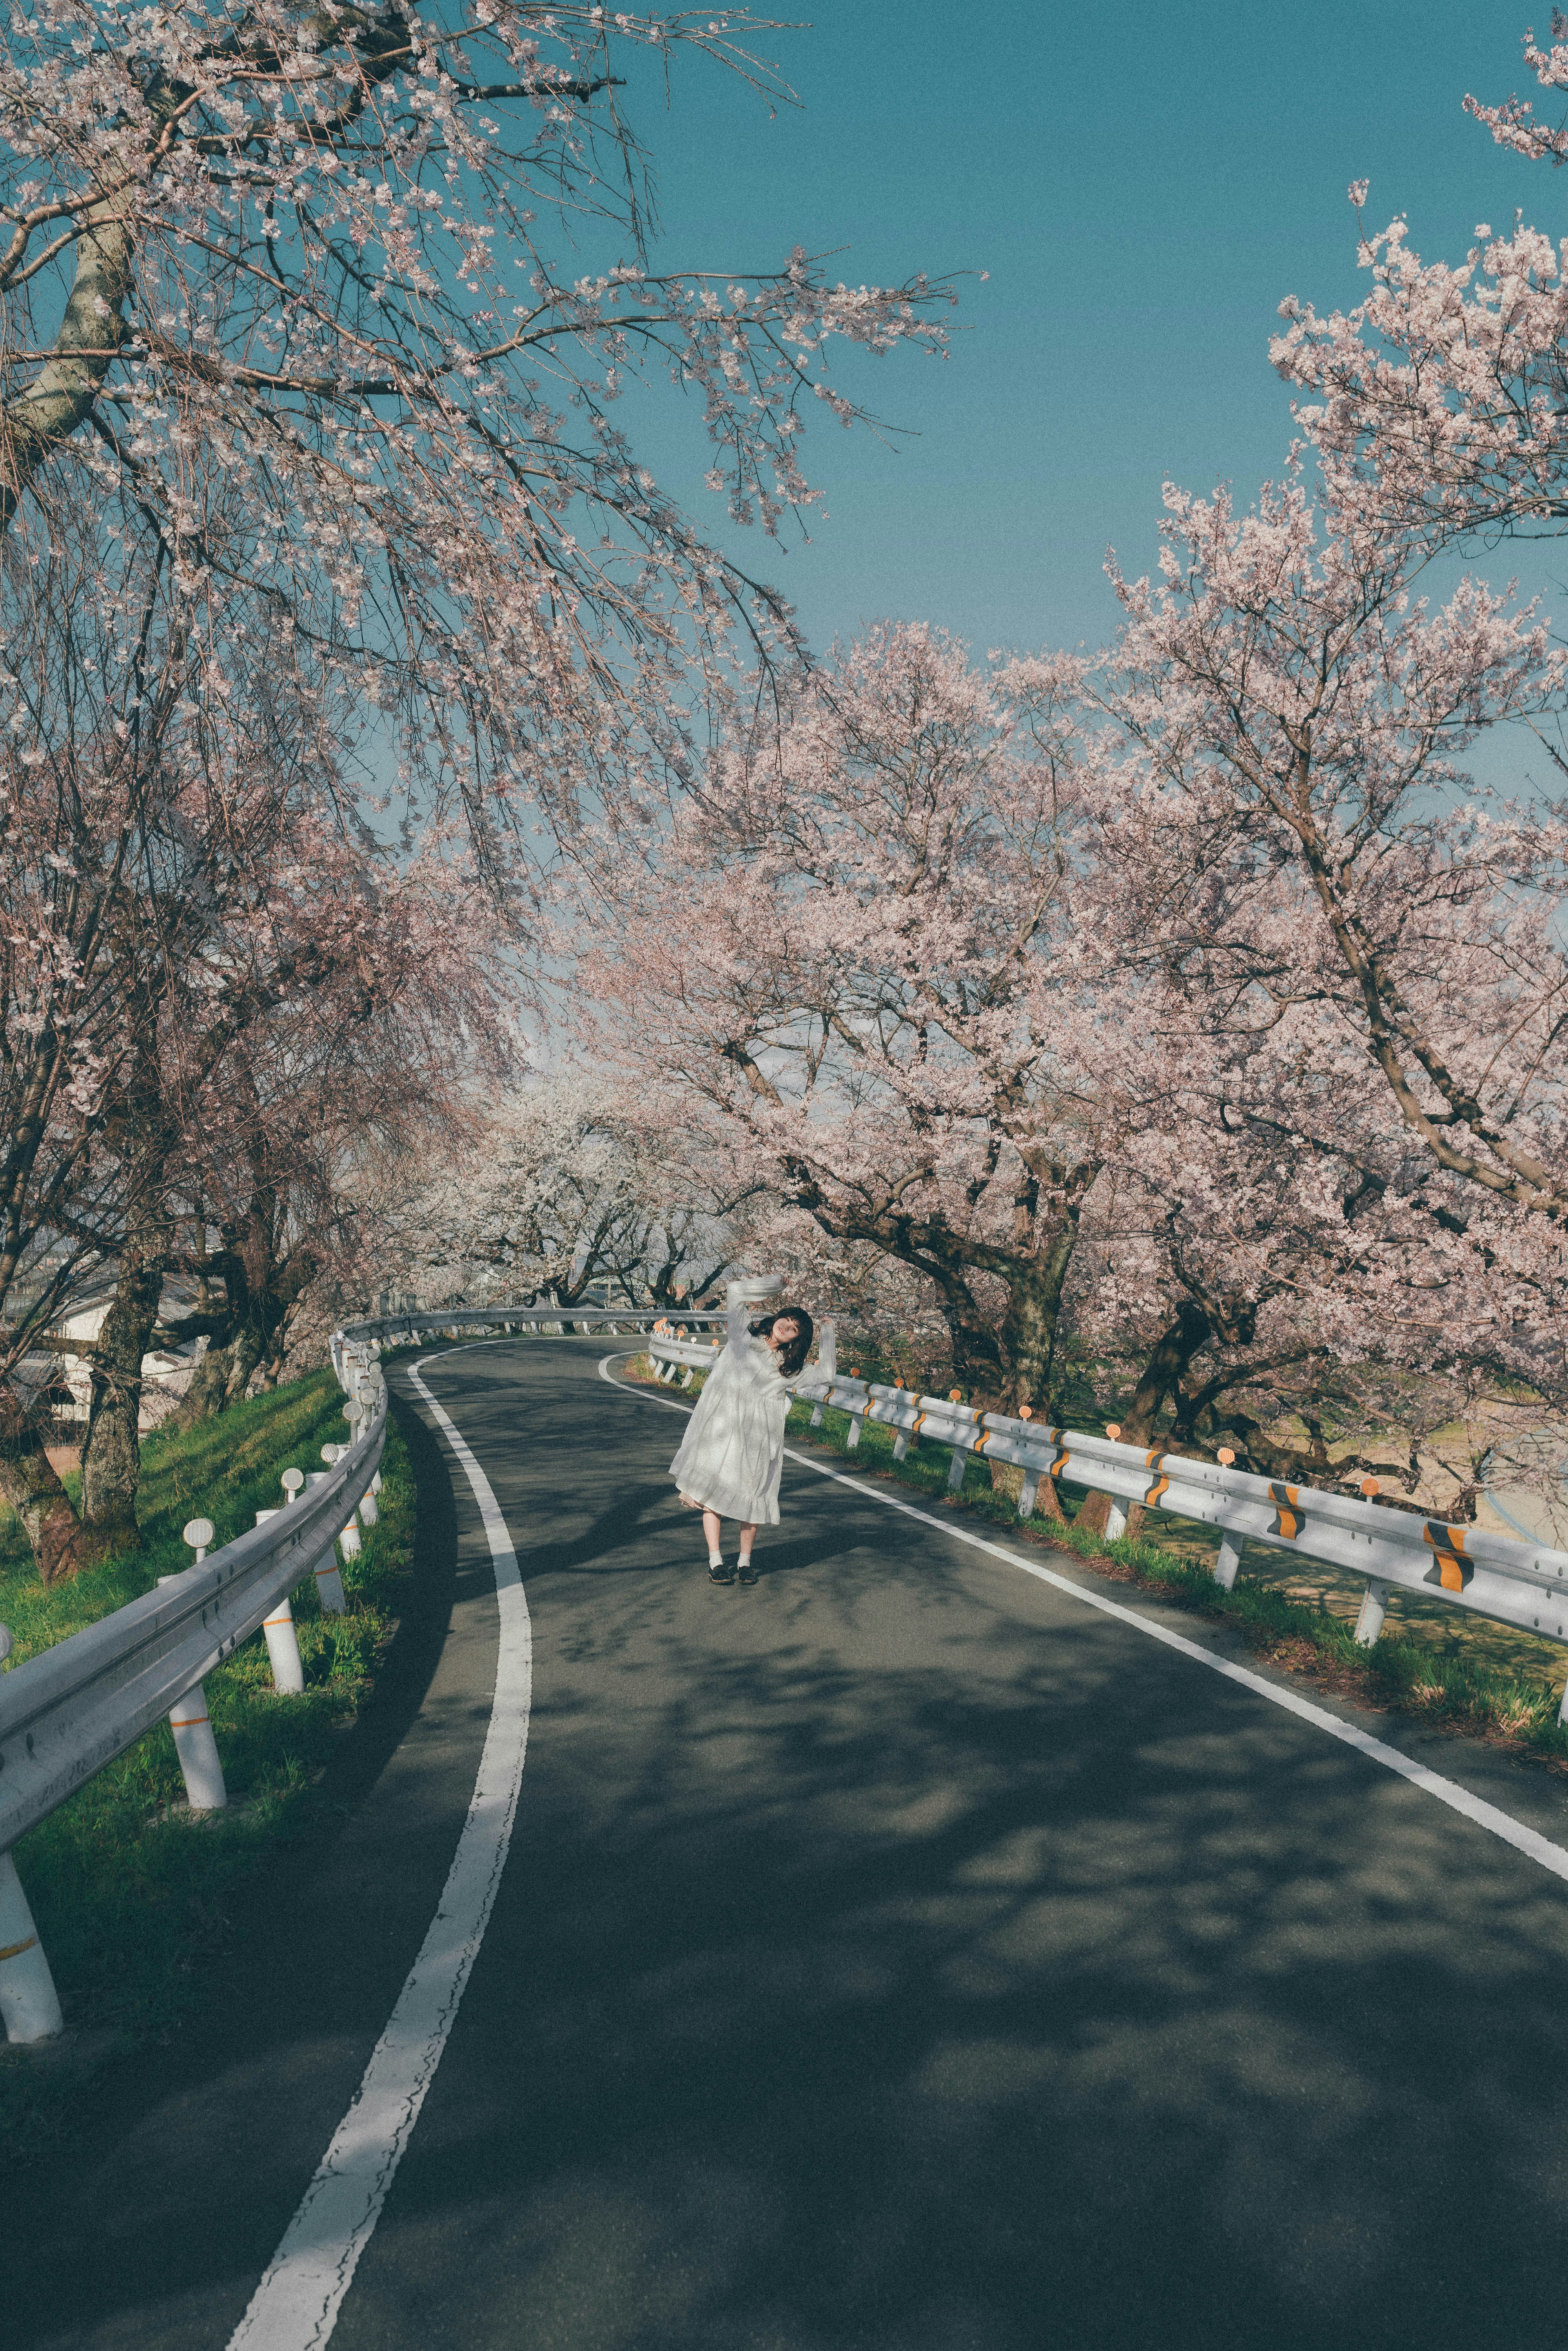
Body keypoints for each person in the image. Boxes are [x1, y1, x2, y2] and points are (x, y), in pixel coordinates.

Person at [670, 1291, 815, 1585]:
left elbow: (828, 1371)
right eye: (786, 1320)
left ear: (796, 1339)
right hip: (723, 1431)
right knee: (714, 1495)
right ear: (777, 1318)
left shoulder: (788, 1367)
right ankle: (716, 1560)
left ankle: (745, 1561)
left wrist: (830, 1333)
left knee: (752, 1497)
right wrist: (772, 1284)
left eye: (794, 1329)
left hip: (759, 1439)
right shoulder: (743, 1341)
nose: (786, 1328)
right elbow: (736, 1293)